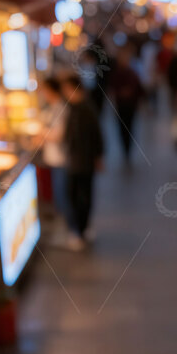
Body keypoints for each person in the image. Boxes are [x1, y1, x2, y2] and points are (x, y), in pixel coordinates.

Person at [60, 73, 104, 251]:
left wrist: (98, 156)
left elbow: (96, 135)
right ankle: (82, 229)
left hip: (81, 161)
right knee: (80, 195)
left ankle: (80, 231)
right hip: (79, 159)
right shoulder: (77, 107)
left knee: (78, 196)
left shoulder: (85, 109)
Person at [38, 77, 69, 231]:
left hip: (60, 158)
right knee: (58, 191)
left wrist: (41, 133)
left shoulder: (60, 108)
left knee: (61, 193)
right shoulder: (52, 107)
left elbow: (58, 135)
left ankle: (65, 227)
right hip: (54, 157)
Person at [108, 46, 142, 167]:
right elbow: (112, 89)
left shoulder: (133, 73)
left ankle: (128, 149)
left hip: (131, 106)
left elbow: (139, 89)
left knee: (130, 127)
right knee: (122, 128)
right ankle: (125, 149)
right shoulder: (116, 74)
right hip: (120, 106)